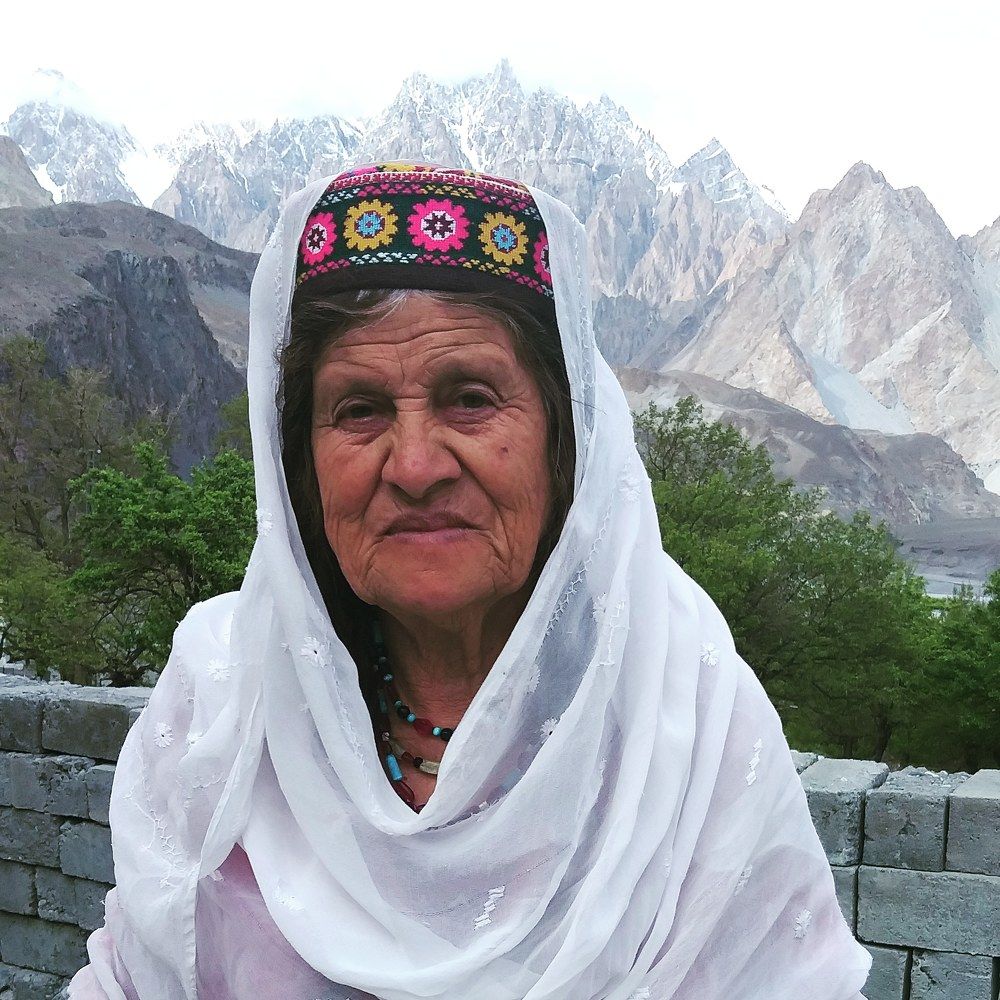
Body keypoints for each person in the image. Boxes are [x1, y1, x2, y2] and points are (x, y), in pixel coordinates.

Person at [68, 163, 873, 999]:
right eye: (359, 411)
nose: (415, 467)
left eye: (471, 400)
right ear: (300, 464)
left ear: (565, 443)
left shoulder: (689, 716)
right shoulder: (223, 696)